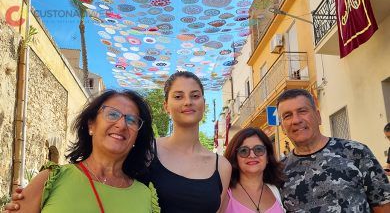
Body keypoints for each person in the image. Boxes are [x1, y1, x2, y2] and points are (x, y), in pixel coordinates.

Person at [3, 90, 158, 212]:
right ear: (91, 125)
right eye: (112, 114)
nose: (122, 125)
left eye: (131, 120)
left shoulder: (144, 195)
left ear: (137, 137)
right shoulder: (51, 179)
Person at [276, 88, 390, 212]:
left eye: (302, 111)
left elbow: (383, 206)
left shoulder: (356, 152)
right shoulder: (279, 172)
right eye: (287, 116)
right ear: (282, 127)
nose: (296, 120)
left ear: (318, 117)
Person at [146, 71, 232, 213]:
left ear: (204, 104)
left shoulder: (222, 166)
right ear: (166, 106)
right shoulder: (147, 151)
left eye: (195, 96)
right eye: (178, 96)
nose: (188, 102)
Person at [222, 127, 285, 213]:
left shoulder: (275, 191)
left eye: (259, 149)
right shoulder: (224, 194)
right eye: (244, 151)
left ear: (267, 158)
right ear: (235, 158)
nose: (252, 155)